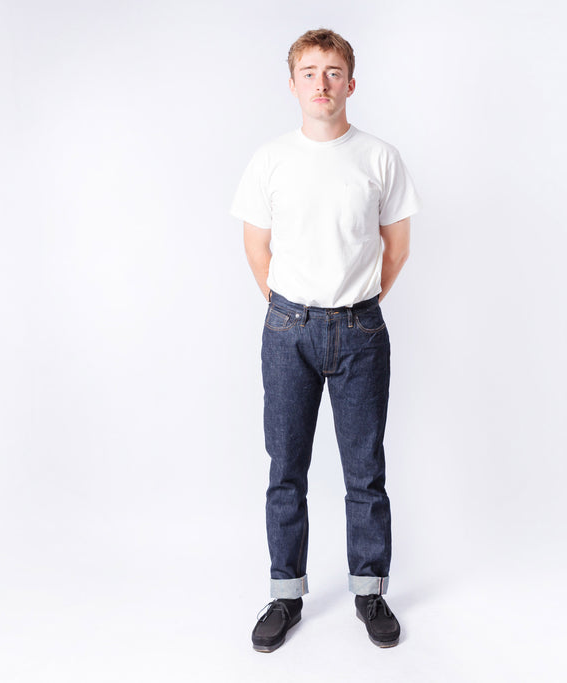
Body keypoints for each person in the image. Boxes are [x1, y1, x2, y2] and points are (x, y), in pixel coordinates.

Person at [230, 27, 420, 652]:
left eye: (333, 72)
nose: (322, 83)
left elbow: (397, 246)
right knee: (286, 467)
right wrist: (293, 310)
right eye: (309, 72)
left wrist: (356, 304)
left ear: (351, 83)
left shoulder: (379, 157)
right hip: (288, 330)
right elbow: (257, 248)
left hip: (360, 329)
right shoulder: (270, 160)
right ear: (292, 84)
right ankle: (285, 594)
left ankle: (369, 590)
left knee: (365, 470)